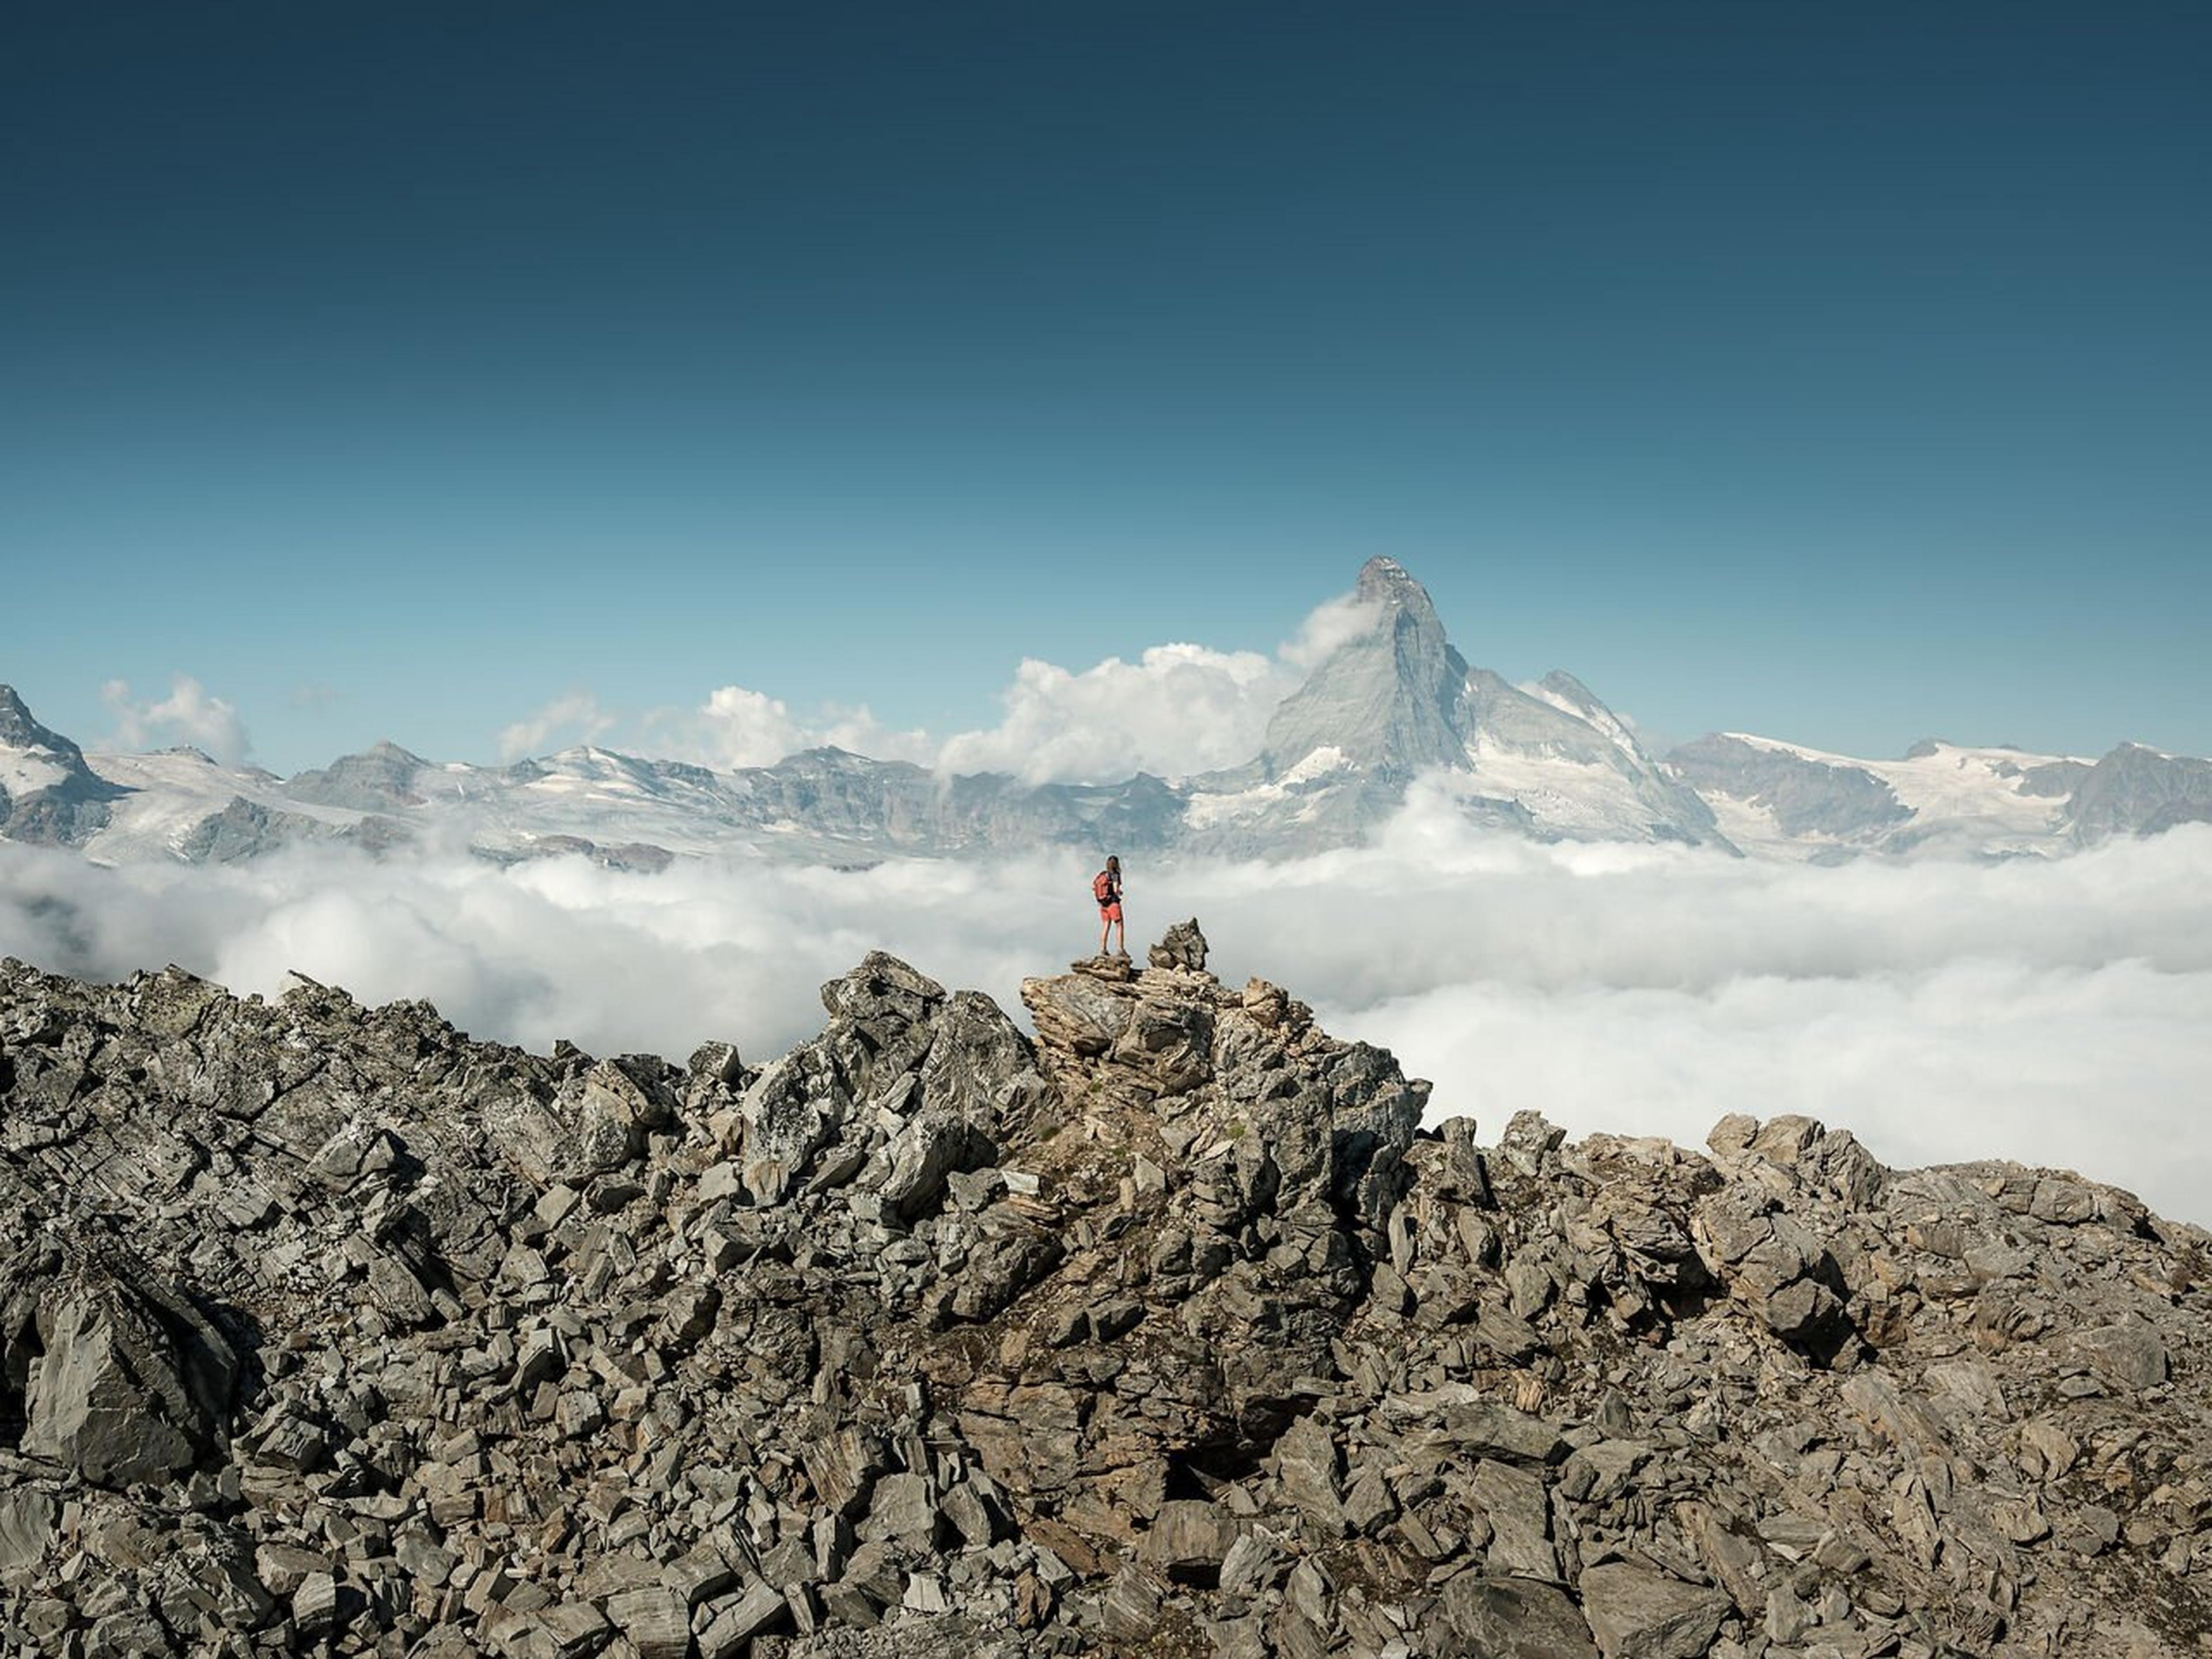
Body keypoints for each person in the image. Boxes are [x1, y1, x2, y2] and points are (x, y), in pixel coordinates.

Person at [1093, 854, 1126, 959]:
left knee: (1106, 926)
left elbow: (1093, 888)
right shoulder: (1115, 874)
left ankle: (1103, 950)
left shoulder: (1103, 875)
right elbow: (1116, 890)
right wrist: (1119, 892)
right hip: (1113, 903)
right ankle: (1121, 950)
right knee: (1119, 926)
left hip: (1103, 905)